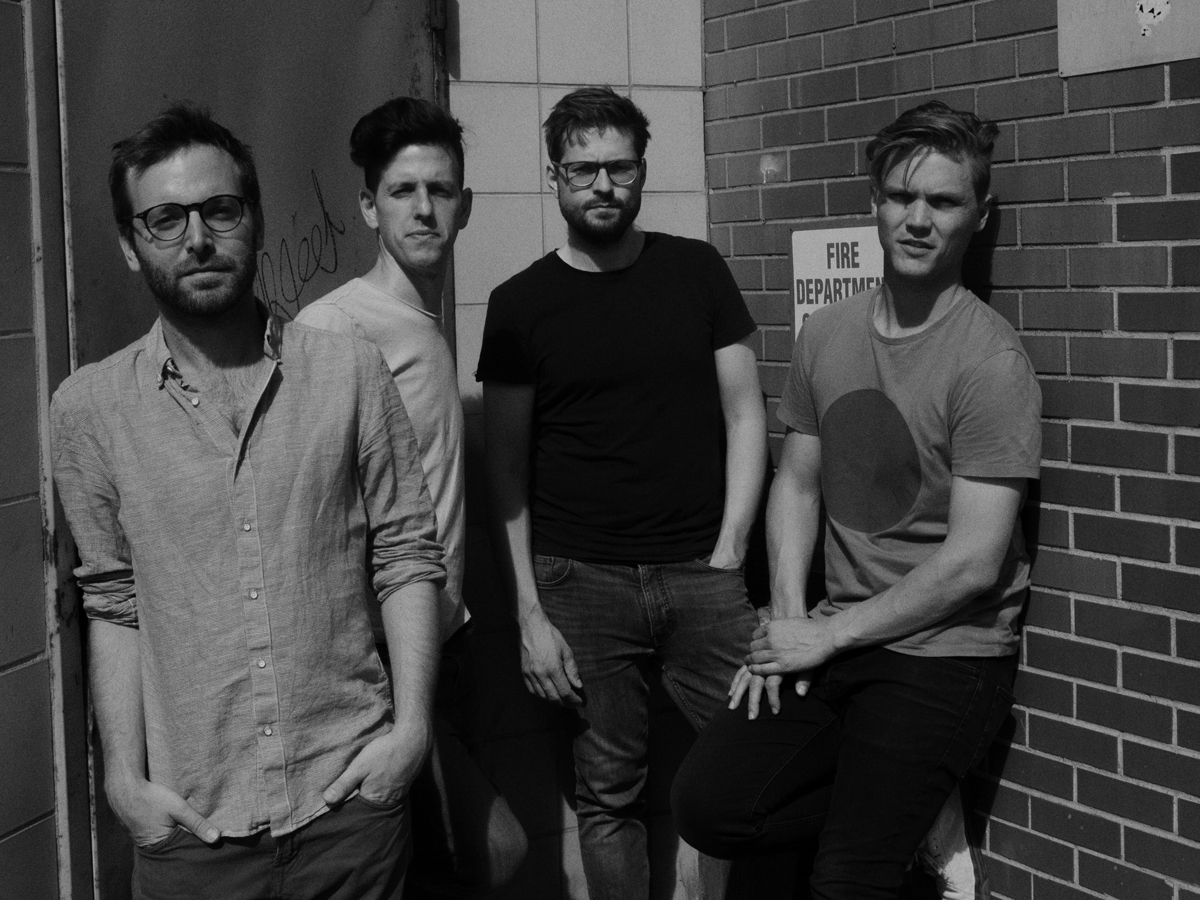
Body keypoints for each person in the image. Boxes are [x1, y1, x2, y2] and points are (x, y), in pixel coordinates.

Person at [51, 103, 445, 900]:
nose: (197, 238)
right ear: (130, 245)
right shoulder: (88, 410)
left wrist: (411, 733)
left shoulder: (348, 373)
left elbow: (407, 556)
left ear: (256, 221)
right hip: (194, 833)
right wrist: (126, 783)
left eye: (219, 210)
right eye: (164, 219)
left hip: (348, 812)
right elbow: (111, 599)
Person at [671, 101, 1042, 900]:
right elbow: (797, 484)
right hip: (839, 633)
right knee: (707, 807)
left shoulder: (991, 363)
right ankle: (905, 809)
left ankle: (901, 814)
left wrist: (826, 636)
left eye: (942, 202)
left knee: (847, 880)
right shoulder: (827, 333)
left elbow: (974, 564)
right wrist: (790, 617)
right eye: (899, 197)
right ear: (873, 203)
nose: (916, 219)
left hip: (948, 654)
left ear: (981, 215)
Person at [476, 86, 767, 899]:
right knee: (608, 798)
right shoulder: (519, 305)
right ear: (554, 178)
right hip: (582, 582)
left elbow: (747, 415)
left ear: (643, 171)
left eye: (619, 167)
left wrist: (731, 551)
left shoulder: (697, 270)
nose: (602, 184)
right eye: (583, 170)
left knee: (755, 759)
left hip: (702, 571)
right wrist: (530, 614)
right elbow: (504, 472)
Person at [296, 95, 527, 896]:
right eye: (402, 190)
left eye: (442, 189)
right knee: (482, 854)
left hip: (447, 640)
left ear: (465, 205)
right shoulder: (336, 328)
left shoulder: (423, 323)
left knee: (456, 865)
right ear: (367, 206)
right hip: (386, 654)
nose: (425, 208)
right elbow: (315, 508)